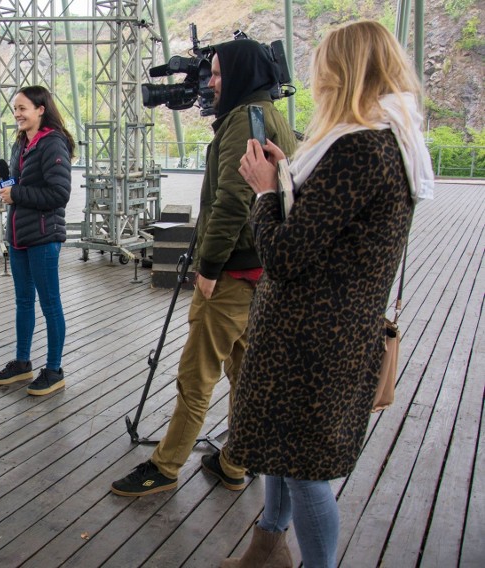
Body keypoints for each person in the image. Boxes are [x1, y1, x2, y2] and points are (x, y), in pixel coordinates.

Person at [221, 20, 434, 567]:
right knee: (279, 446)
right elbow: (329, 229)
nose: (316, 81)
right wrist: (286, 175)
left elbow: (288, 254)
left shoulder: (359, 148)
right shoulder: (390, 141)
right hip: (325, 333)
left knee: (305, 470)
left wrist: (266, 192)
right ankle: (267, 550)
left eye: (323, 69)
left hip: (314, 341)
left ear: (342, 73)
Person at [110, 38, 297, 497]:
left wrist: (208, 268)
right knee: (244, 371)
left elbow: (232, 201)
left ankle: (166, 465)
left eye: (216, 74)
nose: (210, 83)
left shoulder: (242, 121)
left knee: (197, 374)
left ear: (240, 74)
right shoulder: (273, 116)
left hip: (232, 273)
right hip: (262, 272)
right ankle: (235, 462)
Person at [0, 85, 74, 396]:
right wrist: (8, 188)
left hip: (43, 236)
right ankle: (22, 362)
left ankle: (54, 369)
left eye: (23, 108)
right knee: (23, 301)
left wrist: (18, 193)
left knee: (50, 304)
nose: (17, 114)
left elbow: (59, 194)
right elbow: (20, 187)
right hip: (19, 235)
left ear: (40, 109)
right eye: (15, 109)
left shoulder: (53, 144)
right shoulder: (21, 144)